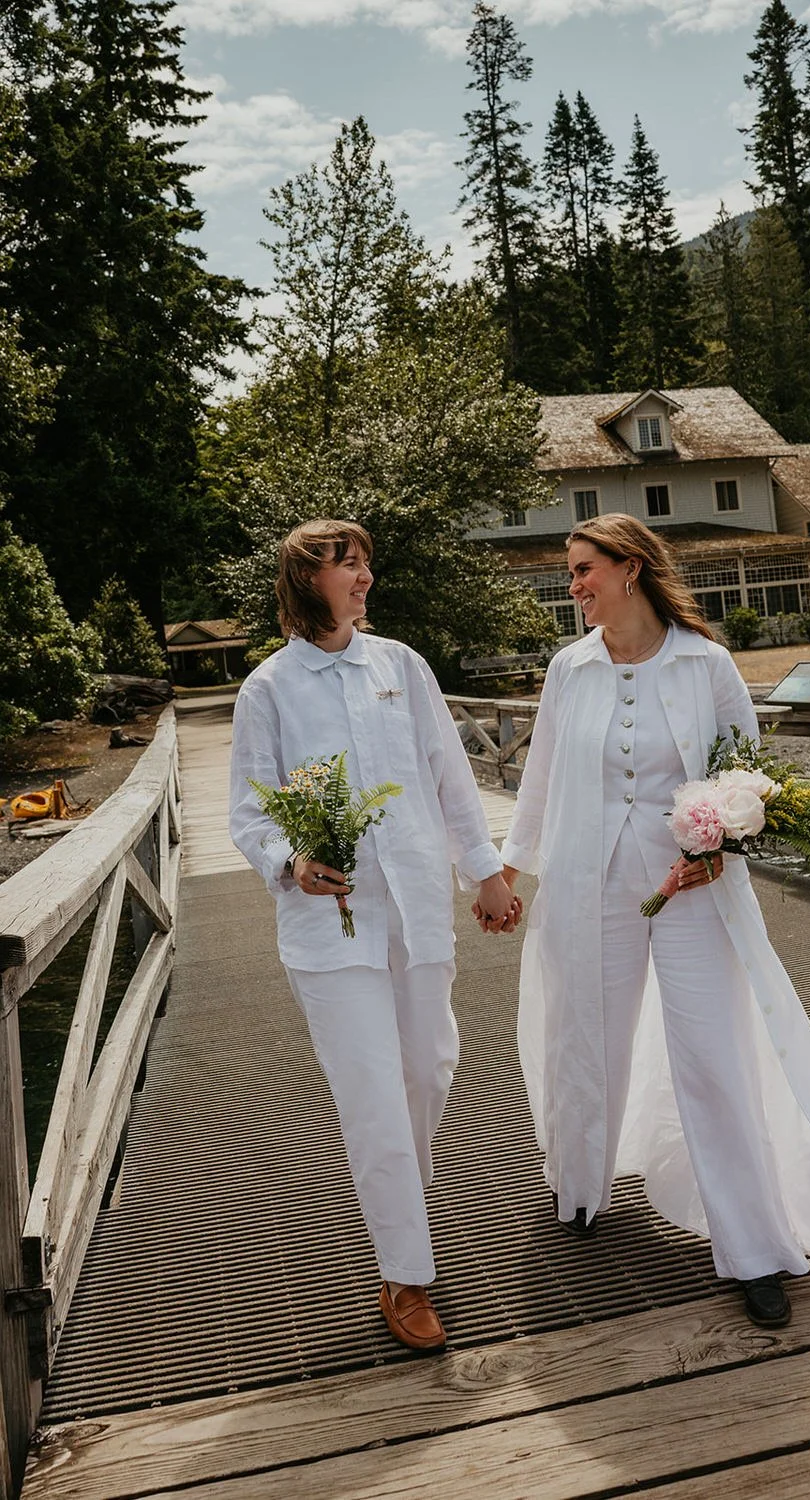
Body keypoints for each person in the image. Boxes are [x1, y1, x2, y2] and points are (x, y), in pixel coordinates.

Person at [495, 514, 810, 1327]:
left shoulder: (707, 663)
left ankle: (753, 1247)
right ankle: (580, 1190)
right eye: (572, 571)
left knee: (712, 1053)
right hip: (591, 883)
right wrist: (504, 873)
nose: (574, 585)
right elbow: (542, 780)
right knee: (588, 1033)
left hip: (692, 884)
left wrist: (719, 848)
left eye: (584, 569)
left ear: (629, 568)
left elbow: (746, 780)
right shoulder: (569, 670)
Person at [230, 518, 519, 1353]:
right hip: (330, 925)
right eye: (346, 565)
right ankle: (405, 1271)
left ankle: (403, 1204)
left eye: (363, 563)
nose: (363, 577)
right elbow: (248, 811)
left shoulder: (402, 664)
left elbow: (449, 776)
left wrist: (487, 869)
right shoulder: (268, 689)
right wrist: (292, 860)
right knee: (372, 1095)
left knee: (429, 1066)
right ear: (304, 580)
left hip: (417, 905)